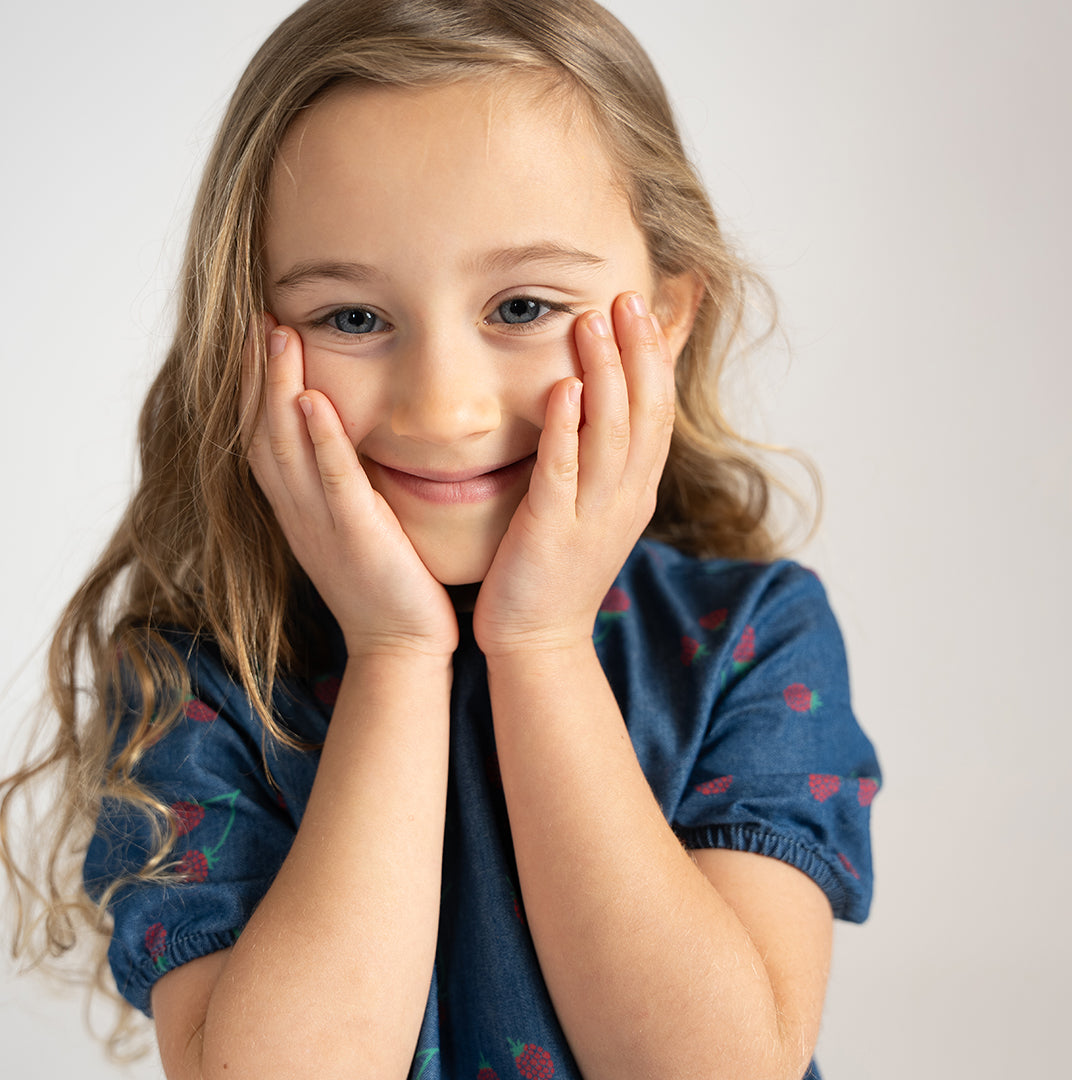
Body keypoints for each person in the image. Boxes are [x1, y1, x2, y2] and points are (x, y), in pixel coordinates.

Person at [0, 1, 880, 1077]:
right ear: (245, 339)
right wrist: (397, 654)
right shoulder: (203, 673)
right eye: (353, 318)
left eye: (521, 307)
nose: (444, 408)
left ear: (667, 314)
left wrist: (544, 644)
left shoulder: (750, 639)